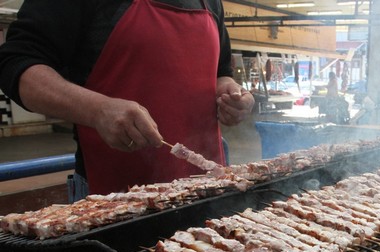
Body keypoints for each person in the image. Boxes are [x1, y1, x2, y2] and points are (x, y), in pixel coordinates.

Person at [0, 0, 254, 201]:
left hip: (209, 187)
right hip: (114, 196)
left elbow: (221, 72)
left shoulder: (211, 2)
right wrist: (98, 110)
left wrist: (231, 94)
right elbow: (15, 63)